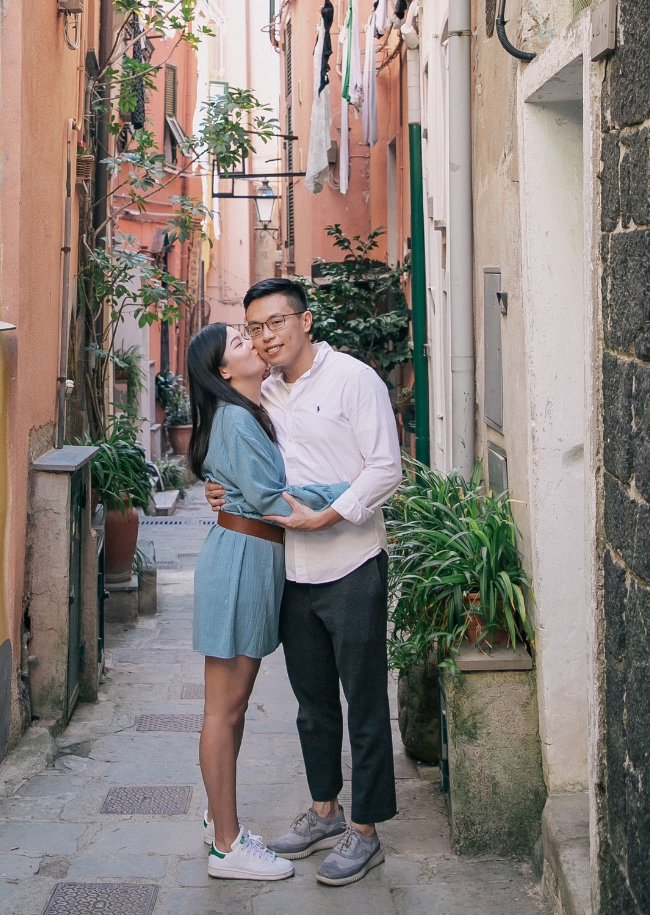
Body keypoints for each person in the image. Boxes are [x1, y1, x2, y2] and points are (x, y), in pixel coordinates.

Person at [205, 277, 402, 887]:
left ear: (305, 320)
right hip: (290, 569)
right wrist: (222, 491)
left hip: (351, 563)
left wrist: (331, 513)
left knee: (364, 701)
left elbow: (385, 469)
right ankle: (324, 810)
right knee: (312, 706)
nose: (265, 338)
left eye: (275, 323)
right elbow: (241, 460)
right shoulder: (257, 390)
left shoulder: (353, 380)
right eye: (255, 328)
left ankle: (365, 831)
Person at [187, 321, 350, 883]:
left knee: (231, 712)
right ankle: (227, 848)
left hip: (249, 560)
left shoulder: (250, 412)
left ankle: (221, 825)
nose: (253, 342)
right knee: (224, 711)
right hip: (238, 563)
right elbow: (267, 499)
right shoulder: (236, 418)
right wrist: (347, 491)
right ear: (223, 373)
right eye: (239, 342)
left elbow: (245, 488)